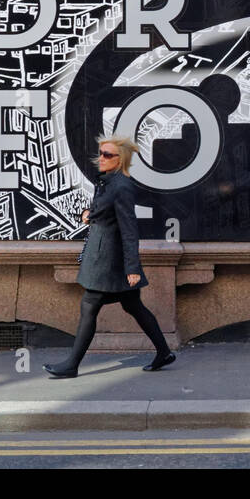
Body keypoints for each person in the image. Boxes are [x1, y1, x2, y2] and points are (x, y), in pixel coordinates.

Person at [44, 135, 175, 376]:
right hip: (104, 255)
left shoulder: (121, 186)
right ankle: (164, 352)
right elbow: (106, 212)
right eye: (101, 153)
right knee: (133, 305)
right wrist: (90, 213)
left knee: (89, 304)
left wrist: (132, 268)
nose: (100, 158)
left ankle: (71, 365)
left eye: (107, 155)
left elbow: (129, 229)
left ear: (120, 159)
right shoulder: (108, 182)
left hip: (109, 260)